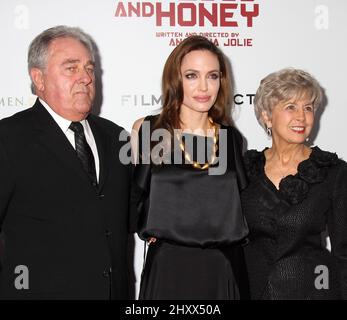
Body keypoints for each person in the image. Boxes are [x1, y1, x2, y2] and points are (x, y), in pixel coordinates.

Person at [0, 26, 130, 299]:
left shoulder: (117, 137)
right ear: (39, 78)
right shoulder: (8, 138)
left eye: (89, 69)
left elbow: (137, 213)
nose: (85, 78)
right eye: (71, 68)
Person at [130, 36, 249, 300]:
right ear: (176, 79)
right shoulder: (147, 130)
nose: (204, 86)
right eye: (192, 75)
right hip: (168, 269)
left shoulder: (231, 139)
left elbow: (241, 207)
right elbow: (133, 200)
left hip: (223, 269)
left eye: (213, 76)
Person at [242, 68, 347, 299]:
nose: (302, 117)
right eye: (291, 107)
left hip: (312, 293)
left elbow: (344, 252)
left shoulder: (332, 172)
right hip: (253, 291)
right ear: (267, 116)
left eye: (308, 108)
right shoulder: (245, 170)